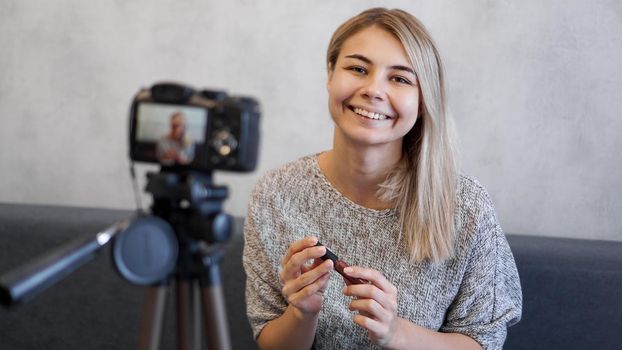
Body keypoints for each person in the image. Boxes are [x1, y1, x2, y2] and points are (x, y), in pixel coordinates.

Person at [243, 7, 521, 350]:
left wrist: (395, 332)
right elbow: (269, 340)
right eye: (357, 69)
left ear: (423, 101)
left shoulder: (465, 206)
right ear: (330, 75)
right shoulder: (275, 194)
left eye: (400, 78)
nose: (373, 90)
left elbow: (483, 341)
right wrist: (301, 313)